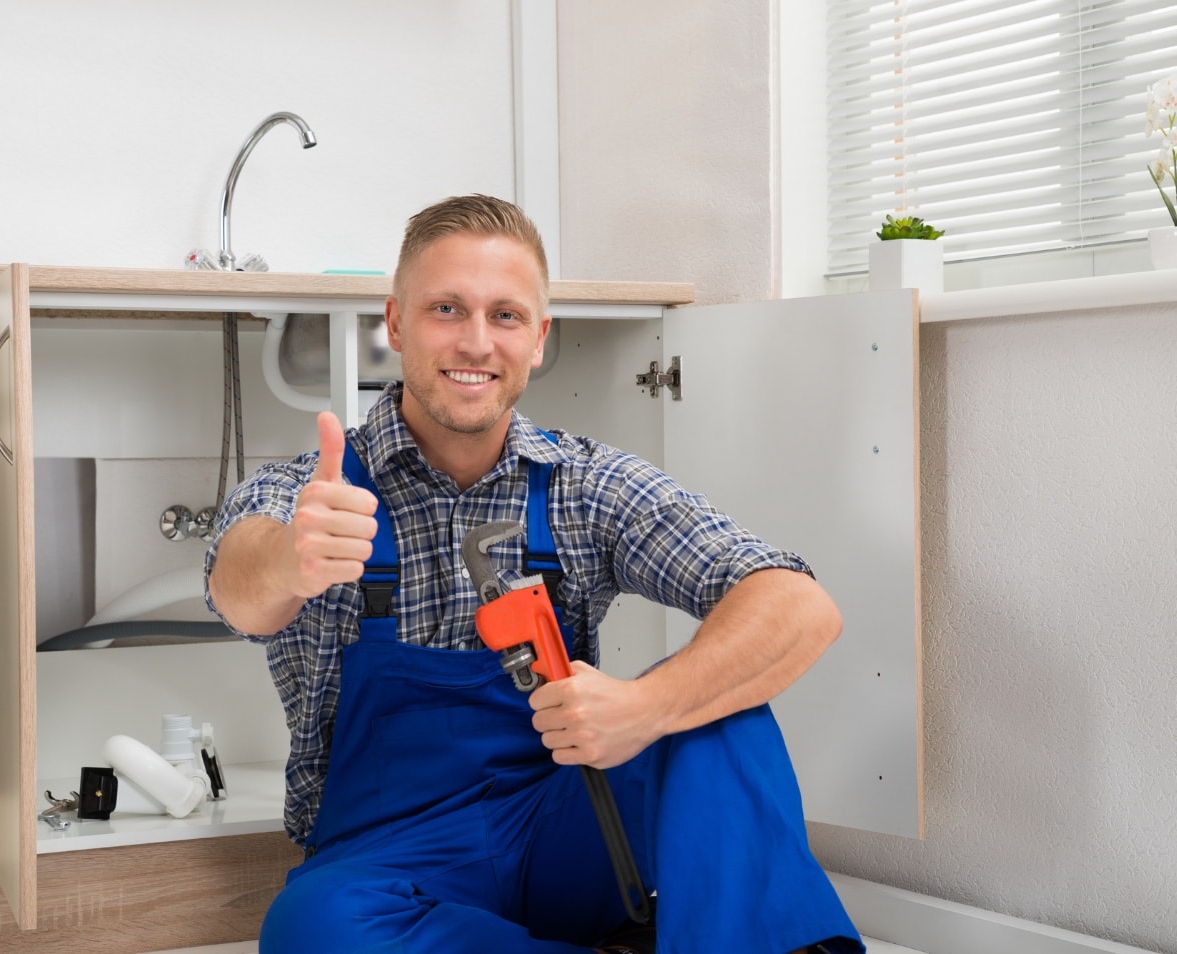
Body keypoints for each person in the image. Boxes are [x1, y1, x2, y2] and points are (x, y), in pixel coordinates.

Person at [205, 194, 864, 954]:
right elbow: (237, 591)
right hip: (391, 860)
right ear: (394, 322)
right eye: (446, 309)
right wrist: (292, 558)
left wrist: (645, 705)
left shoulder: (587, 485)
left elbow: (796, 604)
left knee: (717, 714)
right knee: (312, 931)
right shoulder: (312, 492)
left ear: (540, 337)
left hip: (572, 828)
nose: (476, 342)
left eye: (506, 316)